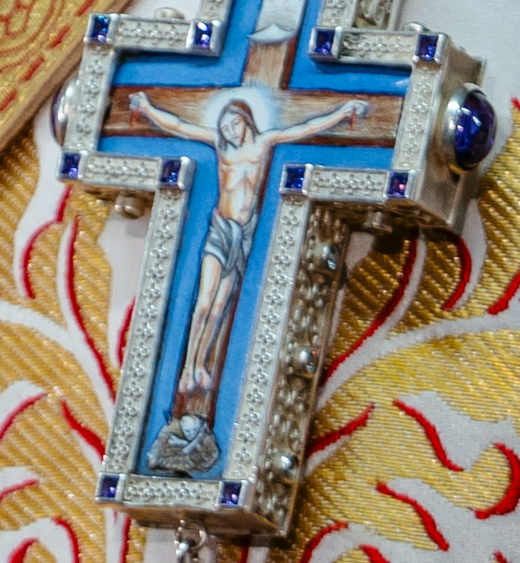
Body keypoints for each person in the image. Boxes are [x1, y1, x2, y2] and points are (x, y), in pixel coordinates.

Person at [129, 91, 365, 472]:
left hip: (244, 235)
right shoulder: (220, 147)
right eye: (224, 126)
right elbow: (180, 126)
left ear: (246, 121)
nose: (229, 131)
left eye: (234, 124)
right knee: (203, 303)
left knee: (219, 309)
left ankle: (201, 364)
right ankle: (189, 367)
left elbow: (304, 128)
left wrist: (342, 112)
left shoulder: (264, 143)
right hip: (221, 231)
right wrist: (147, 109)